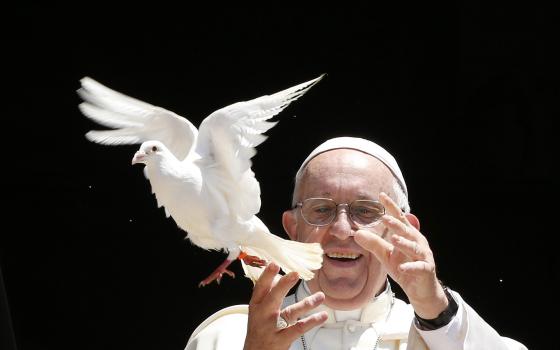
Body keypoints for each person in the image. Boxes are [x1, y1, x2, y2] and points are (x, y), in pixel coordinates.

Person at [185, 136, 527, 350]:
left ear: (401, 231)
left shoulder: (444, 336)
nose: (342, 229)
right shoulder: (228, 337)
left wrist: (436, 309)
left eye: (365, 211)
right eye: (321, 209)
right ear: (292, 227)